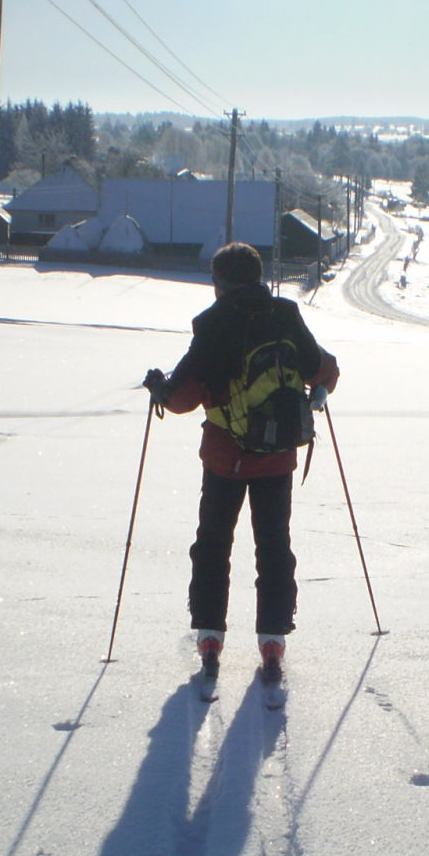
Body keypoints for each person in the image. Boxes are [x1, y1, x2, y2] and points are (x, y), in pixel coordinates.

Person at [143, 243, 339, 697]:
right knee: (274, 545)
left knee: (213, 543)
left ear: (220, 282)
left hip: (224, 459)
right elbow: (324, 370)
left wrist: (159, 388)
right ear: (258, 275)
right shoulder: (286, 316)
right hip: (277, 457)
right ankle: (272, 641)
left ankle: (211, 637)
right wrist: (319, 393)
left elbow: (182, 399)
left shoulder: (212, 326)